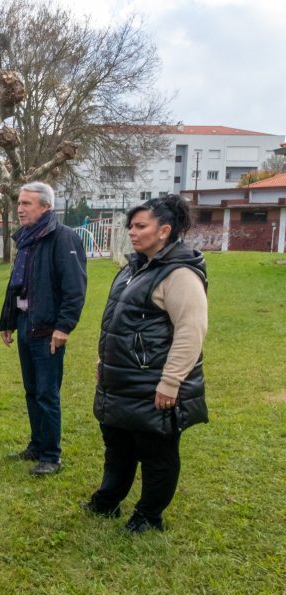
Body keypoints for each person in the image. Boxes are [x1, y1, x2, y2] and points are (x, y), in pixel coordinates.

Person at [84, 195, 208, 533]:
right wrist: (103, 360)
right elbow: (116, 323)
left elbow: (190, 331)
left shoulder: (180, 274)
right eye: (131, 226)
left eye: (141, 226)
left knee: (157, 452)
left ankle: (149, 515)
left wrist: (170, 383)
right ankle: (108, 500)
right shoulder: (133, 268)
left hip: (154, 383)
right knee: (118, 445)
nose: (132, 232)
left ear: (164, 230)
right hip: (121, 380)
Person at [0, 182, 87, 476]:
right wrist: (9, 322)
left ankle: (51, 456)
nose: (20, 209)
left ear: (45, 207)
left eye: (27, 204)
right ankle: (36, 445)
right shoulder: (27, 239)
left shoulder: (63, 238)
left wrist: (64, 327)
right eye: (19, 204)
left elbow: (74, 288)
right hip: (26, 322)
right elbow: (18, 284)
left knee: (47, 393)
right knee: (31, 390)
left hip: (48, 328)